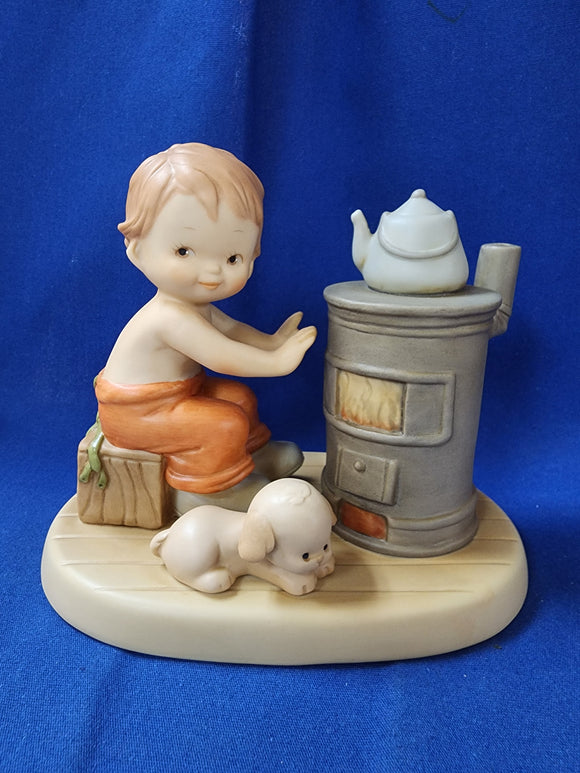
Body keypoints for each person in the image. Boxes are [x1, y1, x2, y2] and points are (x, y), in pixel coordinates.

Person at [95, 143, 316, 507]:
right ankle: (203, 491)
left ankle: (250, 457)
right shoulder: (169, 317)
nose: (212, 272)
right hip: (135, 415)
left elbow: (232, 331)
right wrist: (276, 363)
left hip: (176, 397)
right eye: (184, 251)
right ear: (135, 249)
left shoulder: (194, 308)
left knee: (238, 398)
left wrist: (271, 341)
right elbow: (221, 355)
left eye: (233, 258)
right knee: (222, 423)